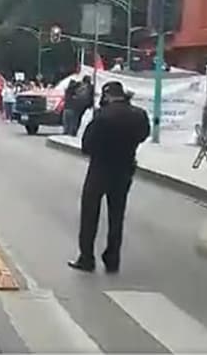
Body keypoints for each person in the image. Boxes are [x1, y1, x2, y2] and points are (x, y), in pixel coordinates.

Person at [69, 81, 150, 274]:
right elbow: (144, 134)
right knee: (117, 216)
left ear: (106, 96)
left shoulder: (102, 116)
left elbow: (87, 145)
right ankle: (113, 259)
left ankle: (86, 258)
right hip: (125, 169)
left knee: (90, 214)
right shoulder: (138, 115)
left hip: (100, 169)